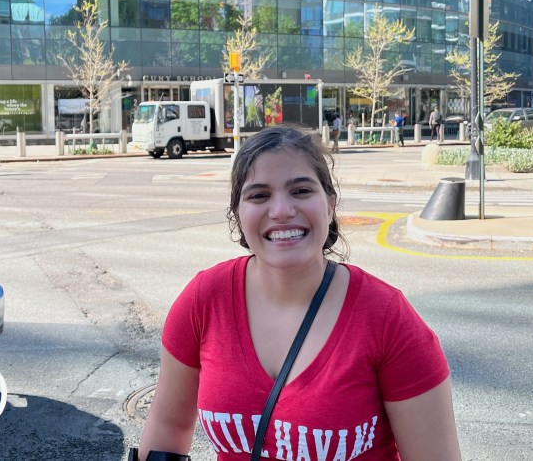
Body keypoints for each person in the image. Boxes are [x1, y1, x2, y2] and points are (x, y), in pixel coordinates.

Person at [139, 126, 461, 460]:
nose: (281, 210)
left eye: (301, 190)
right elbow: (169, 427)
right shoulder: (204, 300)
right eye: (259, 195)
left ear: (330, 205)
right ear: (238, 214)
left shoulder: (387, 319)